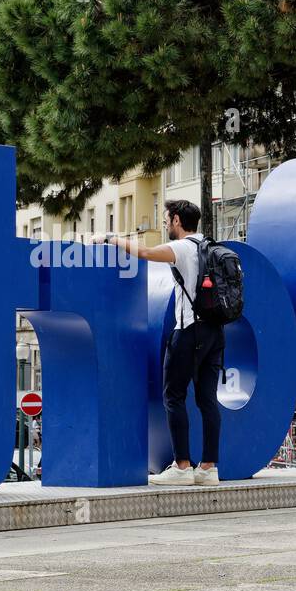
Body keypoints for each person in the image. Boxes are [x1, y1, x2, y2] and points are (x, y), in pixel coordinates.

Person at [100, 200, 223, 486]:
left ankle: (182, 466)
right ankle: (208, 468)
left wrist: (109, 238)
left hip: (189, 330)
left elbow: (144, 252)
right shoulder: (209, 245)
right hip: (215, 333)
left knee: (173, 396)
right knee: (207, 399)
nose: (166, 224)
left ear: (178, 220)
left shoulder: (182, 248)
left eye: (167, 219)